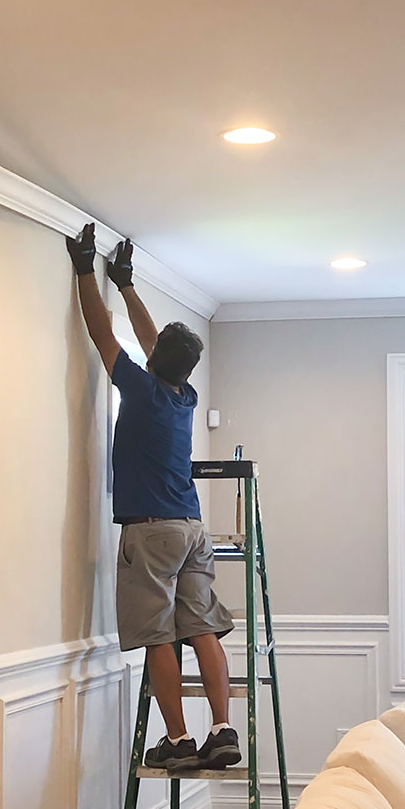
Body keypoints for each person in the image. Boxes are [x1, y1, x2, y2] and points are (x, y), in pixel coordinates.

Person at [67, 222, 240, 771]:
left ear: (157, 360)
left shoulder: (140, 389)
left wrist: (82, 271)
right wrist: (127, 284)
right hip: (193, 528)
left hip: (150, 531)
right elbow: (152, 344)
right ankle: (222, 728)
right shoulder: (184, 396)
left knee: (159, 636)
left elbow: (103, 337)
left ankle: (179, 739)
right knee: (203, 627)